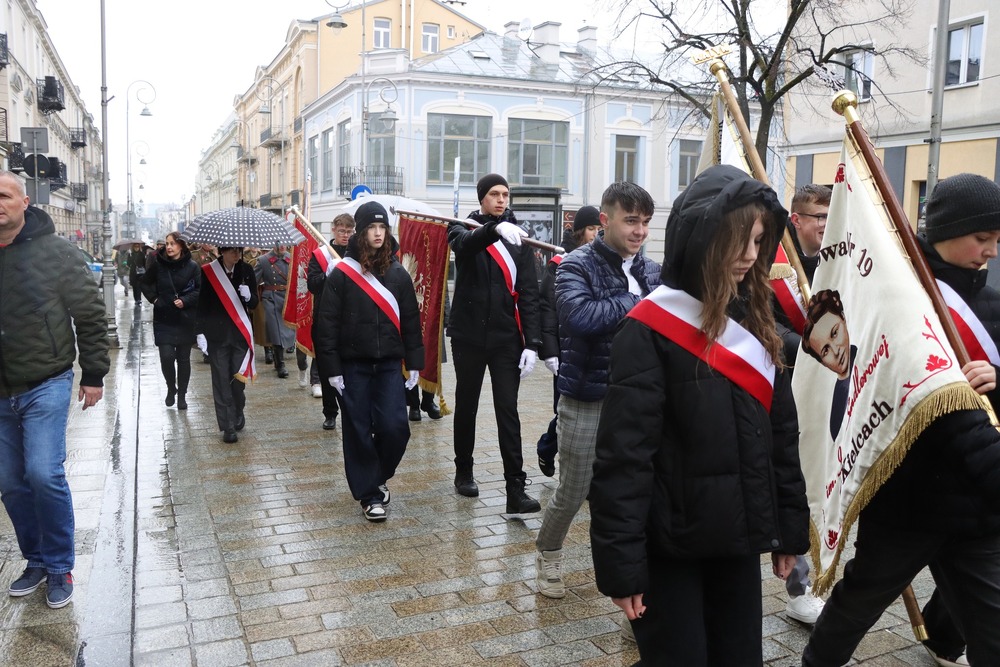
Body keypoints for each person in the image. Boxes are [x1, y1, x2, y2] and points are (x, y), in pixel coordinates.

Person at [589, 165, 809, 665]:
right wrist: (623, 566)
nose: (750, 255)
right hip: (670, 549)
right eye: (737, 240)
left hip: (737, 543)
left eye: (759, 241)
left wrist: (789, 530)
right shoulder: (647, 331)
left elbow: (781, 437)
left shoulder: (756, 322)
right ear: (702, 239)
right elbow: (625, 459)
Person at [801, 174, 1000, 667]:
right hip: (910, 501)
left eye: (998, 239)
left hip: (979, 508)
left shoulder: (992, 303)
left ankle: (943, 643)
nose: (992, 251)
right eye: (982, 237)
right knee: (857, 604)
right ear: (946, 230)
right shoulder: (899, 300)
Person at [534, 186, 660, 599]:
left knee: (638, 491)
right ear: (605, 221)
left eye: (645, 222)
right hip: (587, 395)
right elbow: (579, 317)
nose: (640, 231)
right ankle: (548, 552)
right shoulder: (576, 264)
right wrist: (634, 300)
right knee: (574, 489)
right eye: (631, 221)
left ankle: (636, 577)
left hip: (640, 396)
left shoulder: (652, 270)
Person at [0, 171, 110, 609]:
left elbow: (90, 313)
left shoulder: (56, 251)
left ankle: (61, 564)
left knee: (43, 473)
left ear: (24, 202)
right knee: (10, 481)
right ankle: (37, 560)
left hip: (45, 380)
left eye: (4, 195)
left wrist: (94, 374)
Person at [314, 202, 424, 522]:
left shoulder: (398, 274)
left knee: (395, 428)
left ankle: (376, 476)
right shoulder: (342, 274)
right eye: (372, 228)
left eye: (383, 227)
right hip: (353, 366)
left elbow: (411, 322)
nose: (378, 233)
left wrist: (415, 363)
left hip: (389, 364)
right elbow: (326, 325)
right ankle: (369, 495)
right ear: (360, 232)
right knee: (358, 430)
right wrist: (331, 370)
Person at [447, 173, 542, 514]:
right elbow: (464, 245)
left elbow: (529, 292)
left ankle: (515, 488)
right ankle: (463, 469)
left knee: (507, 410)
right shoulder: (461, 227)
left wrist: (532, 342)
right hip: (469, 336)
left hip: (506, 338)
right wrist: (493, 230)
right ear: (481, 198)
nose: (501, 200)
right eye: (494, 194)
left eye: (505, 194)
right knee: (467, 404)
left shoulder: (519, 237)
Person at [535, 205, 602, 478]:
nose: (595, 234)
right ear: (579, 232)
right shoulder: (560, 262)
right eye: (591, 229)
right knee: (565, 410)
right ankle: (549, 449)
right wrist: (550, 351)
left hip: (596, 349)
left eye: (599, 229)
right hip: (567, 349)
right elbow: (548, 308)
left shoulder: (603, 260)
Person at [196, 246, 259, 443]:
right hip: (217, 335)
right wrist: (200, 332)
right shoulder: (209, 271)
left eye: (238, 251)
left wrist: (249, 296)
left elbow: (255, 303)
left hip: (240, 335)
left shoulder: (246, 270)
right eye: (232, 251)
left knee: (238, 380)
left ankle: (238, 408)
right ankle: (228, 426)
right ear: (223, 252)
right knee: (221, 379)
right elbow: (202, 304)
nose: (237, 255)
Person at [140, 231, 201, 410]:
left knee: (183, 359)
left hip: (185, 319)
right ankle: (170, 387)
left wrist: (185, 301)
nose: (168, 247)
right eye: (167, 244)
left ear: (181, 245)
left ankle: (182, 395)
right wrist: (154, 299)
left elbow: (199, 290)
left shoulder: (192, 266)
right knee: (166, 357)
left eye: (172, 243)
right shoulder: (158, 265)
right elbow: (144, 283)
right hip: (164, 319)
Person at [307, 213, 354, 429]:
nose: (346, 235)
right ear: (333, 230)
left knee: (350, 367)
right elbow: (312, 285)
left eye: (349, 231)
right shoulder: (321, 255)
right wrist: (327, 274)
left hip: (350, 319)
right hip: (325, 319)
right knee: (327, 367)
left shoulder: (357, 253)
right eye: (342, 231)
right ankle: (330, 412)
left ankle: (351, 410)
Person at [255, 244, 298, 379]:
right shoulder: (263, 260)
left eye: (285, 243)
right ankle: (280, 364)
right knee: (276, 331)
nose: (282, 246)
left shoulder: (293, 259)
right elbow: (254, 280)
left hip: (288, 298)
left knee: (288, 331)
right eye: (278, 243)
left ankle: (279, 358)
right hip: (271, 299)